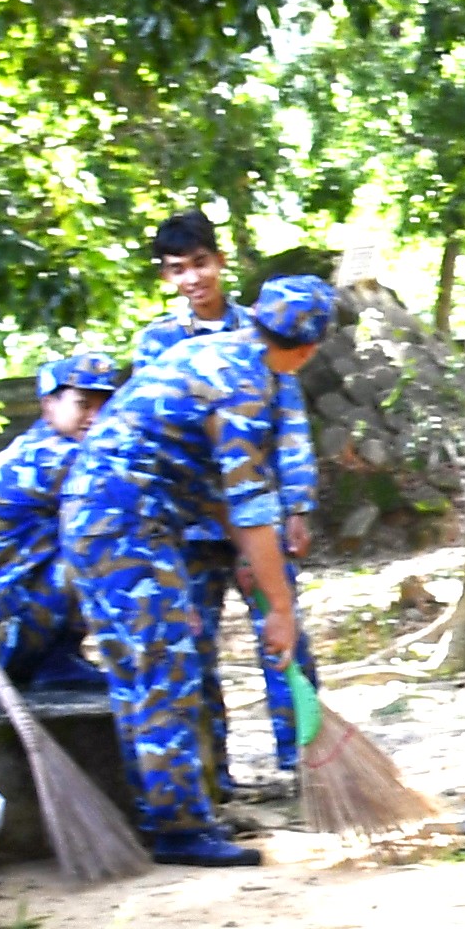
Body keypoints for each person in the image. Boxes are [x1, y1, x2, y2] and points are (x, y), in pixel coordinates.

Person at [66, 276, 332, 869]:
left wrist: (249, 558)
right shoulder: (244, 387)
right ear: (310, 349)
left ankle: (172, 810)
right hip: (126, 522)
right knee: (165, 665)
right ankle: (178, 827)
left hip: (105, 516)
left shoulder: (207, 352)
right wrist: (280, 610)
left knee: (146, 666)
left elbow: (212, 489)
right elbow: (253, 507)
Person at [136, 208, 322, 782]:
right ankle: (213, 770)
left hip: (258, 514)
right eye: (177, 269)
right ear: (166, 278)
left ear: (218, 263)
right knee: (194, 642)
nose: (192, 278)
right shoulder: (156, 343)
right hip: (190, 521)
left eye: (199, 264)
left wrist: (298, 504)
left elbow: (289, 424)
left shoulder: (268, 325)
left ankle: (303, 759)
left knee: (284, 635)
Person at [0, 351, 115, 693]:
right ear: (49, 405)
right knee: (107, 543)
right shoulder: (57, 458)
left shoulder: (38, 448)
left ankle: (59, 657)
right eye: (83, 404)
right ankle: (55, 663)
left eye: (104, 405)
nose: (95, 417)